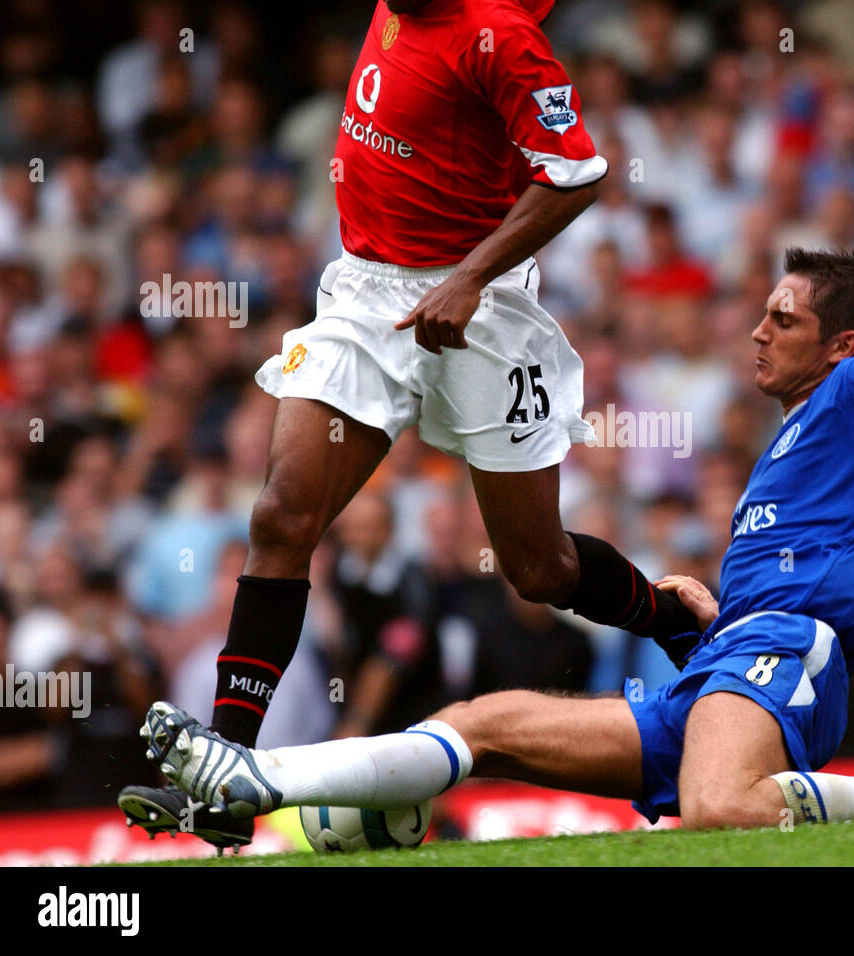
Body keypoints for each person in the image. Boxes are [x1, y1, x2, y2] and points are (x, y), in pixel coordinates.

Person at [134, 249, 854, 841]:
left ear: (838, 346)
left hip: (787, 651)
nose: (757, 331)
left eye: (784, 318)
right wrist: (706, 611)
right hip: (732, 657)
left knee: (719, 806)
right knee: (482, 724)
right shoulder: (802, 429)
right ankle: (258, 780)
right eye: (764, 311)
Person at [117, 0, 704, 850]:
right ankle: (228, 775)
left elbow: (575, 173)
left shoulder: (500, 38)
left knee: (539, 570)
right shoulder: (398, 8)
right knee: (281, 515)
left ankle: (675, 622)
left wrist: (469, 277)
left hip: (482, 309)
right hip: (363, 294)